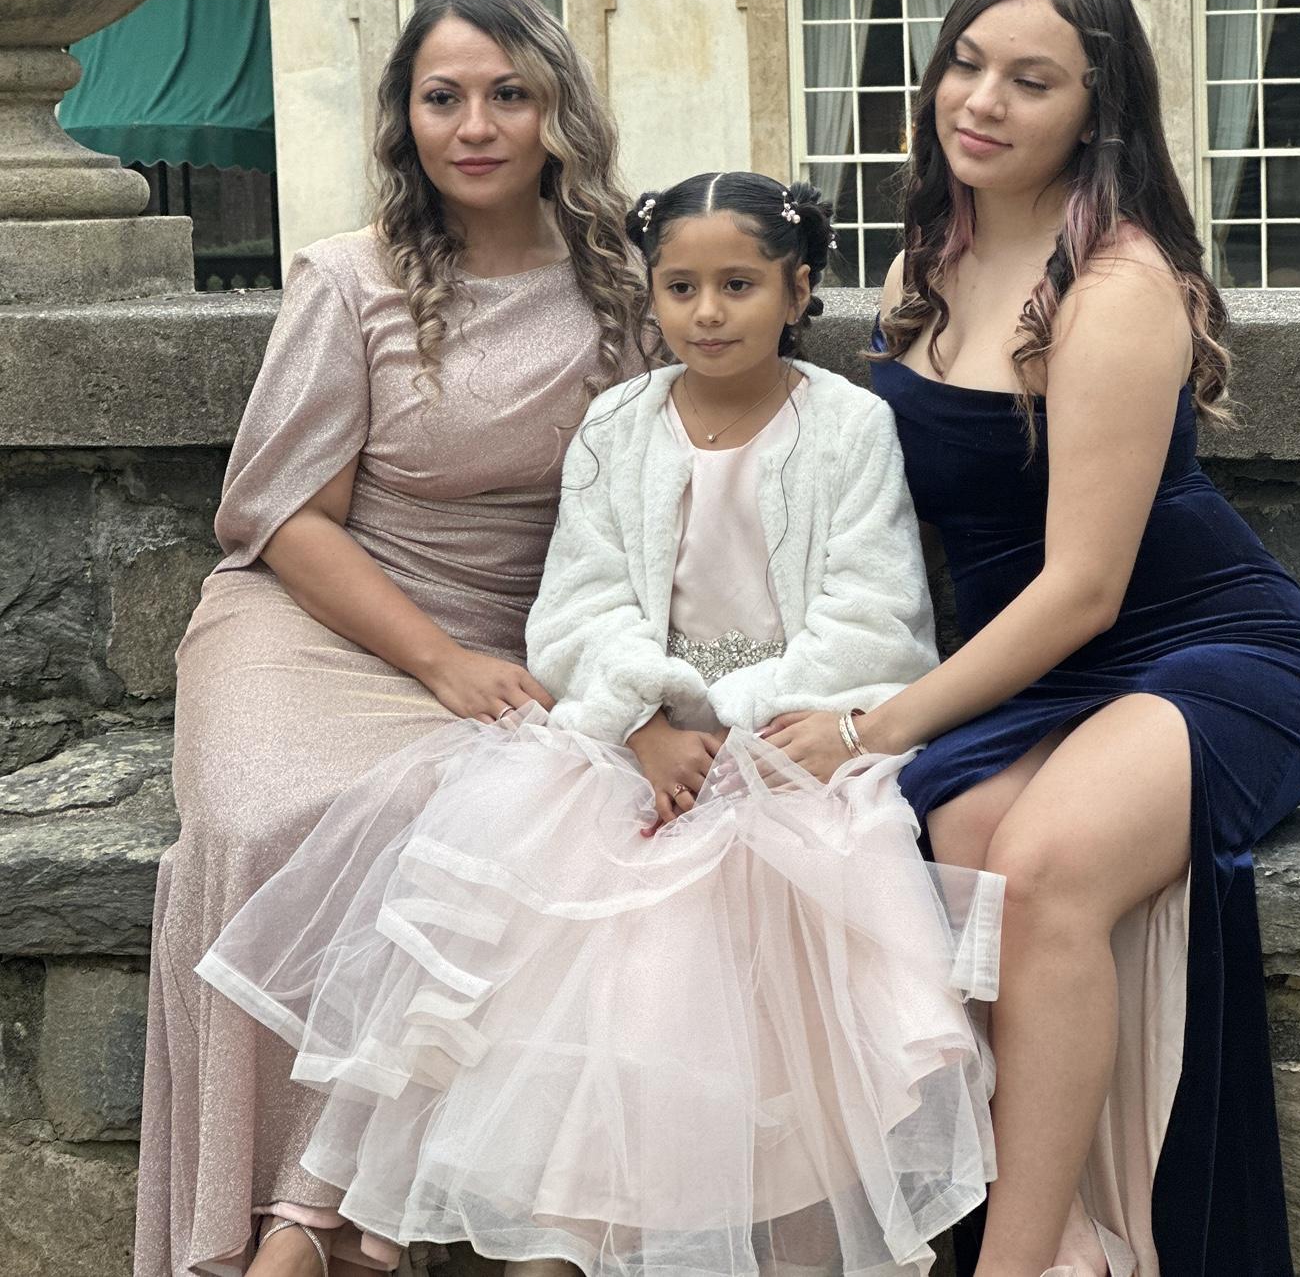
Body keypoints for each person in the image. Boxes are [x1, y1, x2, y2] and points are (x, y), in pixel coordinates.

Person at [197, 173, 1003, 1277]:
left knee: (754, 941)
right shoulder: (617, 425)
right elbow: (579, 604)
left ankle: (744, 1229)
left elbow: (873, 610)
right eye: (681, 287)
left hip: (791, 748)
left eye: (739, 285)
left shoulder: (849, 426)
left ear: (798, 289)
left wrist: (748, 728)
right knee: (571, 951)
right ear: (650, 296)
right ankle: (552, 1242)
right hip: (634, 747)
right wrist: (643, 724)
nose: (707, 312)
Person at [764, 0, 1300, 1277]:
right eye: (966, 64)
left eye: (1031, 80)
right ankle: (1067, 1228)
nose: (982, 100)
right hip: (1046, 671)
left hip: (1211, 651)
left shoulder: (1118, 288)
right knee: (955, 835)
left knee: (1040, 864)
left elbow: (1083, 586)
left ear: (1096, 110)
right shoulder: (929, 262)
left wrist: (869, 728)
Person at [134, 0, 644, 1277]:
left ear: (557, 112)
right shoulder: (350, 279)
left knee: (467, 829)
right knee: (263, 821)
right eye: (442, 97)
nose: (474, 125)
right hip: (318, 614)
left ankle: (321, 1224)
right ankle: (276, 1218)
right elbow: (285, 517)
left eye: (508, 94)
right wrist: (440, 663)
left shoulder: (628, 290)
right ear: (404, 117)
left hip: (520, 631)